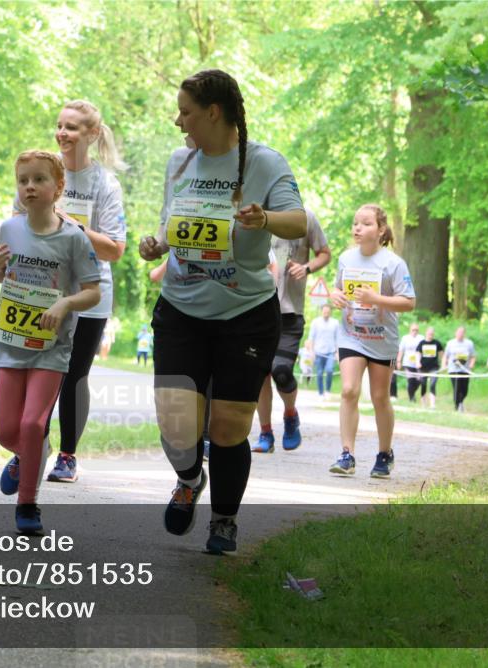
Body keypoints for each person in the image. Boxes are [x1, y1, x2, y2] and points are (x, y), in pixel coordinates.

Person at [139, 69, 306, 554]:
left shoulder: (264, 162)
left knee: (229, 428)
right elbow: (175, 227)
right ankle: (190, 479)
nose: (178, 121)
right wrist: (158, 245)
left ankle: (224, 521)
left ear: (213, 113)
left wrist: (265, 217)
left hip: (244, 314)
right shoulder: (180, 160)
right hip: (181, 308)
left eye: (185, 112)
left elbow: (298, 221)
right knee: (175, 423)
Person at [0, 150, 101, 533]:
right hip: (11, 343)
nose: (29, 187)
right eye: (23, 180)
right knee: (6, 431)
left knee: (33, 424)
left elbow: (93, 292)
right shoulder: (9, 230)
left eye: (39, 180)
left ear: (58, 187)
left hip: (52, 346)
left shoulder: (73, 238)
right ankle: (30, 456)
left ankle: (27, 504)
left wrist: (66, 303)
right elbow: (6, 276)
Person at [14, 101, 127, 485]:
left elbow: (114, 248)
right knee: (39, 373)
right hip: (41, 293)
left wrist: (68, 224)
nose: (62, 133)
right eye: (60, 126)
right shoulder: (41, 172)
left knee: (73, 376)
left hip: (89, 296)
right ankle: (30, 449)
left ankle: (67, 456)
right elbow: (18, 225)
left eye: (73, 128)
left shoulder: (104, 184)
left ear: (93, 135)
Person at [327, 204, 415, 478]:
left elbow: (409, 303)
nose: (357, 228)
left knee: (379, 397)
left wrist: (376, 300)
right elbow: (339, 289)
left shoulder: (393, 264)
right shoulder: (346, 259)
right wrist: (335, 295)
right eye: (355, 223)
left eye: (365, 223)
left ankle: (384, 453)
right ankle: (346, 454)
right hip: (351, 336)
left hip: (381, 340)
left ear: (381, 230)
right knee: (349, 390)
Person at [253, 209, 331, 453]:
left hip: (290, 312)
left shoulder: (305, 218)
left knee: (281, 371)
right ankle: (265, 433)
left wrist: (306, 268)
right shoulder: (254, 215)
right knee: (260, 376)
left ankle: (290, 415)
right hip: (256, 308)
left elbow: (325, 254)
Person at [309, 304, 340, 398]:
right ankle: (320, 392)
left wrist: (338, 353)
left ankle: (328, 390)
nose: (326, 313)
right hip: (318, 351)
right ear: (321, 311)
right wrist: (311, 352)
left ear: (330, 312)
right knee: (319, 373)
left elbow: (338, 339)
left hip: (331, 352)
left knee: (330, 370)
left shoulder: (335, 323)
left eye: (328, 311)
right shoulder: (315, 322)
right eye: (324, 311)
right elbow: (311, 338)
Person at [443, 326, 476, 412]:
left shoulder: (469, 343)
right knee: (456, 388)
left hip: (465, 370)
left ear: (464, 334)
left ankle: (460, 402)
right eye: (459, 332)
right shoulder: (450, 343)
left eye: (462, 333)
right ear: (455, 333)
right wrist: (444, 364)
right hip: (453, 369)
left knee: (464, 390)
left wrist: (472, 364)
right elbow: (445, 356)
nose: (460, 334)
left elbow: (473, 356)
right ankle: (457, 406)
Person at [415, 326, 444, 409]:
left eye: (432, 334)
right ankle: (423, 404)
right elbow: (417, 353)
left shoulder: (437, 343)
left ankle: (432, 404)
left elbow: (442, 354)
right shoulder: (421, 343)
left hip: (434, 367)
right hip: (423, 368)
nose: (430, 335)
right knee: (423, 384)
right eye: (429, 333)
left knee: (432, 384)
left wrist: (443, 364)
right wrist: (417, 362)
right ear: (426, 333)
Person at [396, 322, 425, 402]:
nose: (415, 331)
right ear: (410, 330)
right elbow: (401, 350)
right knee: (411, 380)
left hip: (418, 363)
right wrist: (398, 361)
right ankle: (411, 398)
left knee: (420, 381)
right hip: (408, 363)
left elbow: (424, 350)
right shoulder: (405, 338)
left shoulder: (421, 338)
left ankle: (412, 393)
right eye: (413, 330)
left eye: (416, 330)